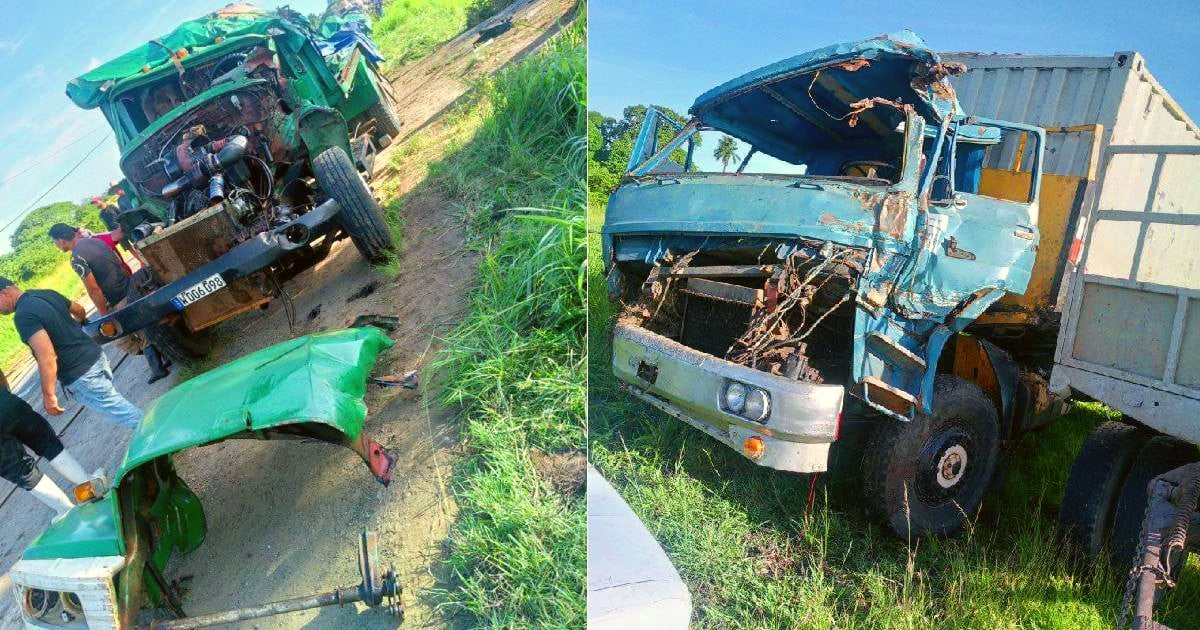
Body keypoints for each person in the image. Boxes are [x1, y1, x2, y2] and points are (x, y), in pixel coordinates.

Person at [0, 278, 144, 428]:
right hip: (96, 356)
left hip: (81, 373)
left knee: (124, 413)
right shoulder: (45, 294)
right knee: (117, 403)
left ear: (4, 293)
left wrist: (48, 395)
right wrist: (79, 323)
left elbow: (47, 355)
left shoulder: (23, 316)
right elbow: (79, 310)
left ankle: (157, 435)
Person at [49, 224, 169, 383]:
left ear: (62, 241)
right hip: (130, 289)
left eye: (54, 242)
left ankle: (157, 366)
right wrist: (129, 286)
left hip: (117, 299)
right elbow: (120, 263)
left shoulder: (76, 257)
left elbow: (93, 289)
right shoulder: (97, 242)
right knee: (139, 329)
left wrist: (104, 314)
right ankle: (161, 358)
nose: (56, 246)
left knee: (121, 339)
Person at [0, 368, 96, 518]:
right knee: (46, 443)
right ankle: (89, 483)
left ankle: (66, 510)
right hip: (5, 403)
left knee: (22, 471)